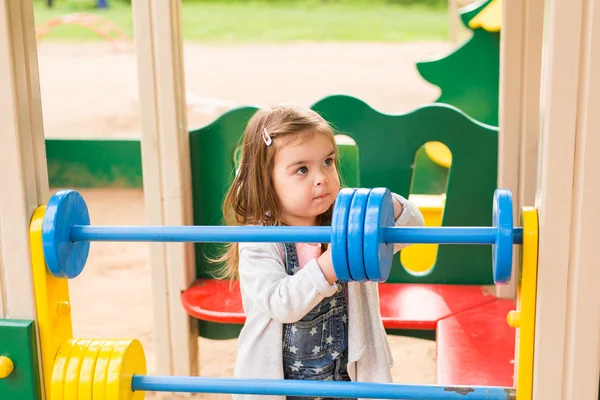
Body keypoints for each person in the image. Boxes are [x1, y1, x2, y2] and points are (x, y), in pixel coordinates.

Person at [213, 104, 425, 400]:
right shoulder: (259, 238)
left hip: (347, 378)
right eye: (302, 169)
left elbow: (412, 231)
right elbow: (281, 303)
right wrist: (331, 263)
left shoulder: (347, 219)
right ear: (266, 180)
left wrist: (385, 207)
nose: (321, 177)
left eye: (328, 162)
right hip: (285, 387)